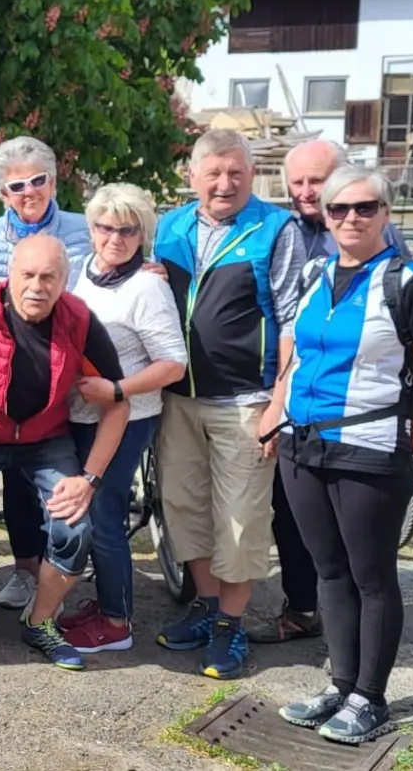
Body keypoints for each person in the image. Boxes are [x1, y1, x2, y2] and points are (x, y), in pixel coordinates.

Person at [264, 167, 413, 743]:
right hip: (304, 443)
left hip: (369, 447)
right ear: (323, 212)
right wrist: (277, 408)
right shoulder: (316, 271)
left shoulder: (409, 281)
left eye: (365, 208)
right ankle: (340, 683)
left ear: (385, 214)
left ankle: (371, 696)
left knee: (372, 576)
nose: (351, 218)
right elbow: (295, 351)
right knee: (328, 570)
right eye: (339, 208)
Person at [0, 235, 130, 670]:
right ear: (9, 276)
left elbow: (117, 403)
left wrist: (89, 479)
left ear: (64, 281)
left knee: (75, 530)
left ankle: (40, 623)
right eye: (28, 275)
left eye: (49, 277)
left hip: (44, 438)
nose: (37, 286)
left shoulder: (79, 319)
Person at [153, 128, 306, 680]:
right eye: (213, 173)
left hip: (246, 398)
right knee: (185, 508)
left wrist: (279, 401)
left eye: (235, 174)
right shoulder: (167, 228)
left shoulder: (274, 228)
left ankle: (231, 626)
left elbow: (290, 318)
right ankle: (208, 604)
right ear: (191, 175)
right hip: (177, 398)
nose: (224, 183)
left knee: (241, 519)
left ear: (251, 177)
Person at [250, 139, 410, 645]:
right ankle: (303, 607)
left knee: (362, 544)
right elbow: (286, 325)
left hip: (363, 413)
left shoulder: (382, 234)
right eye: (295, 183)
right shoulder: (286, 232)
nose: (305, 192)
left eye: (316, 181)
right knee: (294, 517)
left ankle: (364, 646)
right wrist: (278, 403)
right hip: (299, 401)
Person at [0, 135, 93, 614]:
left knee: (67, 479)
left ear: (53, 181)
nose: (30, 191)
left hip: (79, 363)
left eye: (39, 180)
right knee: (16, 475)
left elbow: (112, 266)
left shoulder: (85, 227)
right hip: (9, 371)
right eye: (17, 185)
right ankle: (24, 568)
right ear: (3, 194)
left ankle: (61, 573)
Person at [56, 184, 187, 653]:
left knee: (106, 513)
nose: (115, 238)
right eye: (105, 227)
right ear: (91, 229)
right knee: (87, 512)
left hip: (128, 415)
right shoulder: (79, 272)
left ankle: (117, 621)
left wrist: (117, 388)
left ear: (142, 234)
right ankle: (105, 600)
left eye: (128, 230)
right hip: (78, 413)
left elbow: (173, 363)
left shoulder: (148, 286)